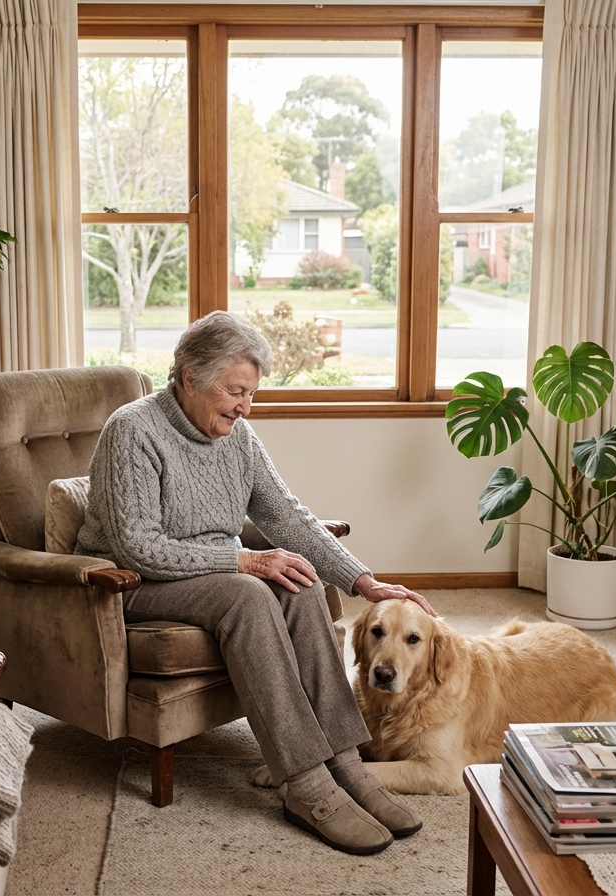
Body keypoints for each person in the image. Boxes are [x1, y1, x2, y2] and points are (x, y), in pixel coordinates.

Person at [76, 310, 438, 855]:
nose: (246, 406)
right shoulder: (132, 430)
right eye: (236, 391)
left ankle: (345, 763)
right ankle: (305, 785)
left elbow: (288, 518)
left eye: (252, 393)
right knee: (249, 592)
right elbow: (138, 548)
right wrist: (245, 562)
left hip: (206, 574)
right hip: (128, 585)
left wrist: (365, 582)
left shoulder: (238, 438)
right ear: (190, 377)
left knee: (302, 584)